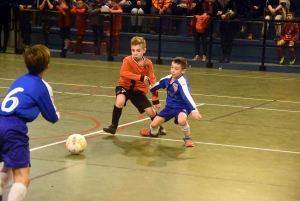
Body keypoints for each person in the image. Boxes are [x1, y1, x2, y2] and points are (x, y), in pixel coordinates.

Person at [0, 45, 60, 201]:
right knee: (22, 178)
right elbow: (52, 117)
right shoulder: (41, 87)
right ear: (47, 65)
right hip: (14, 128)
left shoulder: (19, 80)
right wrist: (57, 114)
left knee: (8, 165)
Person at [103, 36, 166, 135]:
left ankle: (159, 127)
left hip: (138, 91)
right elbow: (123, 73)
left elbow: (153, 81)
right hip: (124, 87)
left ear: (144, 50)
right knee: (120, 101)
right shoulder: (127, 60)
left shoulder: (148, 63)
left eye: (138, 50)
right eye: (133, 50)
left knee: (151, 112)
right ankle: (113, 126)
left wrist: (155, 99)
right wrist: (140, 77)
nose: (135, 53)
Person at [139, 57, 202, 147]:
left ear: (183, 71)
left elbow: (187, 96)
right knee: (153, 125)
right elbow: (158, 85)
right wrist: (150, 87)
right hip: (169, 107)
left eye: (176, 69)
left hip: (182, 107)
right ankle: (153, 133)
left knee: (182, 120)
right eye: (172, 67)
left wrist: (194, 109)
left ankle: (187, 138)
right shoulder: (167, 79)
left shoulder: (182, 82)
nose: (173, 70)